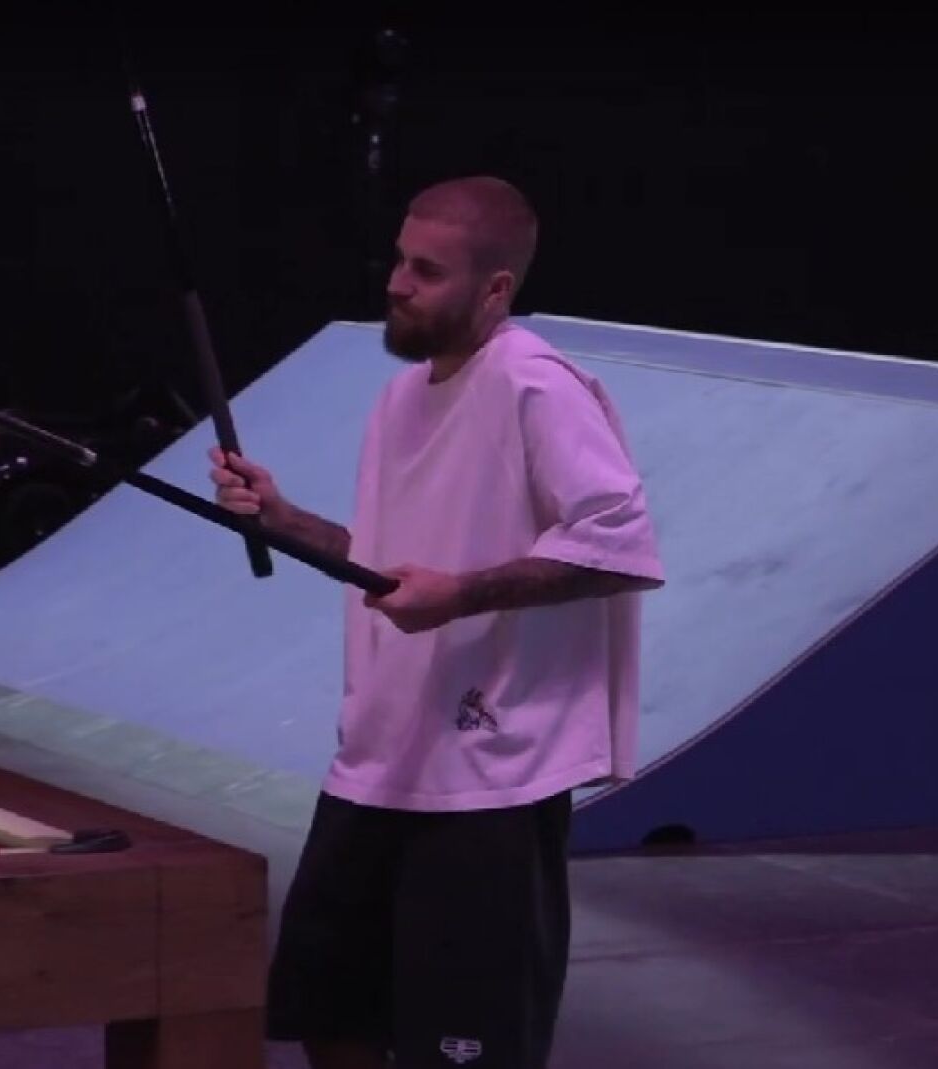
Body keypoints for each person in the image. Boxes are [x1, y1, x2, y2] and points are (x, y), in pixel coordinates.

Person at [208, 176, 663, 1069]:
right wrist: (283, 520)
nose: (396, 283)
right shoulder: (399, 399)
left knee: (460, 1053)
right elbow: (386, 560)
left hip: (490, 780)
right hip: (377, 760)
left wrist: (457, 595)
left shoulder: (535, 383)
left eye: (426, 270)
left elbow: (619, 547)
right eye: (397, 260)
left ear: (494, 289)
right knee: (331, 1021)